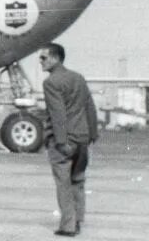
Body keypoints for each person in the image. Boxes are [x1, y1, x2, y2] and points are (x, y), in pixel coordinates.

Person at [40, 43, 98, 237]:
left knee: (63, 183)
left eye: (44, 57)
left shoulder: (51, 82)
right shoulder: (78, 78)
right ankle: (79, 220)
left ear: (55, 58)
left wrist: (61, 141)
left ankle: (68, 225)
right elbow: (89, 106)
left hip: (64, 141)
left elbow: (58, 114)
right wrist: (92, 134)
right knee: (78, 180)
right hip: (82, 138)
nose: (41, 61)